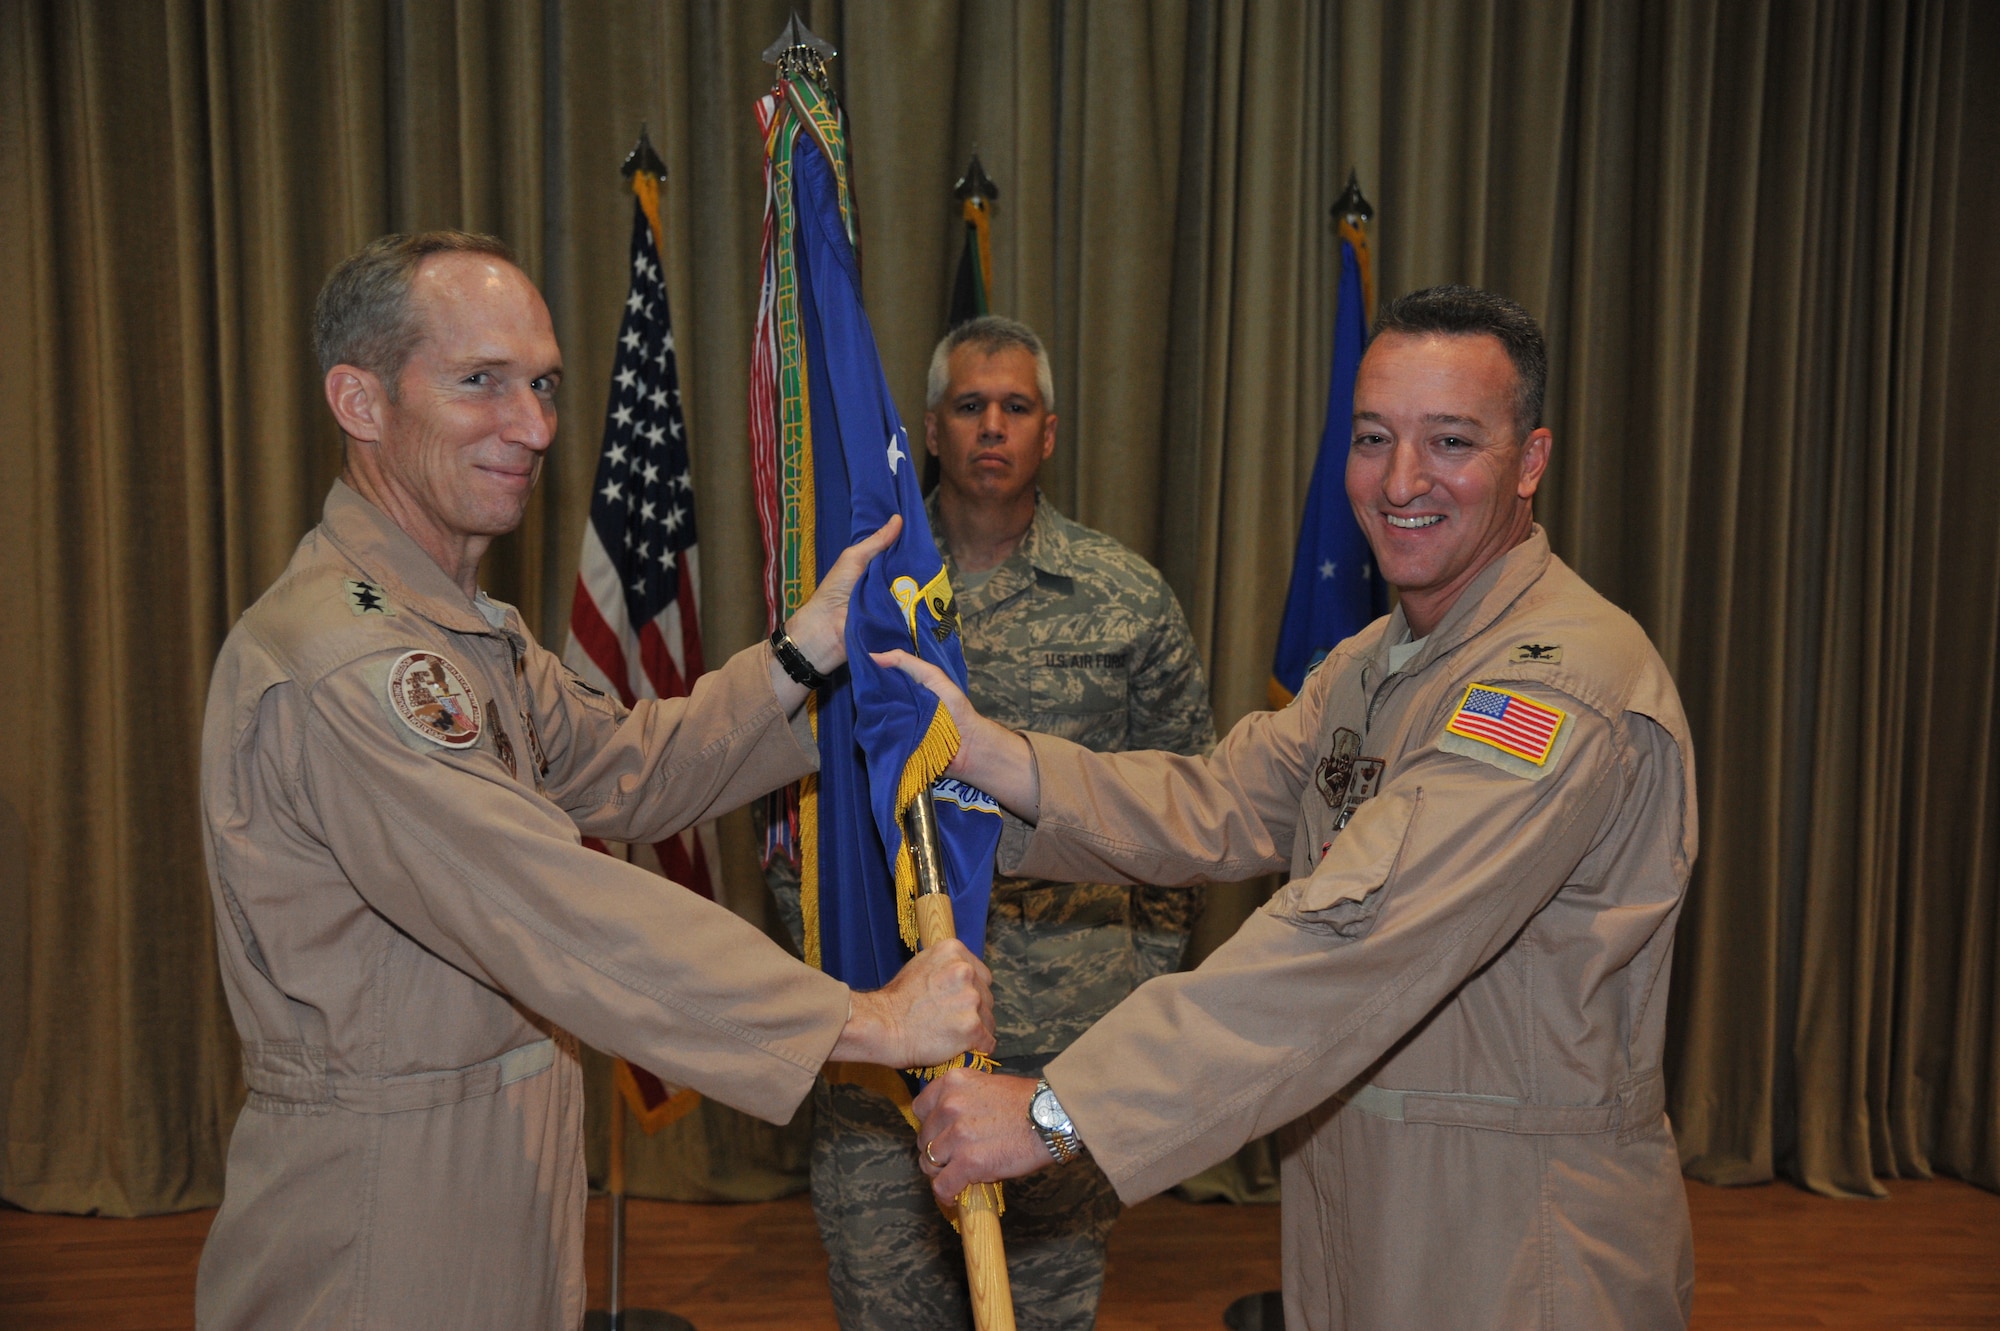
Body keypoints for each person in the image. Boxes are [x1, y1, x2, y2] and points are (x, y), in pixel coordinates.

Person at [194, 230, 994, 1330]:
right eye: (480, 383)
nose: (533, 427)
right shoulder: (350, 657)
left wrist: (802, 653)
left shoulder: (466, 629)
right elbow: (549, 902)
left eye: (542, 386)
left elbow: (625, 768)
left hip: (507, 1155)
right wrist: (860, 1018)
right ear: (360, 399)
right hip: (383, 1200)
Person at [896, 287, 1700, 1330]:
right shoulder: (1372, 664)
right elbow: (1216, 796)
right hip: (1356, 1211)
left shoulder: (1556, 684)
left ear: (1530, 460)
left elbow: (1349, 942)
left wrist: (1062, 1109)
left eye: (1448, 440)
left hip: (1512, 1241)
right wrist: (995, 756)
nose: (1400, 480)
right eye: (1372, 438)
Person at [765, 317, 1216, 1331]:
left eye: (1015, 407)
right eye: (969, 405)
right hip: (884, 1064)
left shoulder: (1125, 600)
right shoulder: (854, 604)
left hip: (1059, 1051)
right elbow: (795, 823)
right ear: (929, 428)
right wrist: (847, 998)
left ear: (1047, 434)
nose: (991, 427)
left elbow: (1188, 813)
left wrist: (1132, 1003)